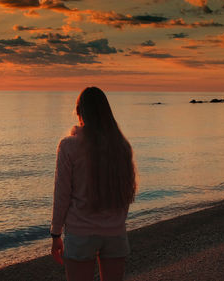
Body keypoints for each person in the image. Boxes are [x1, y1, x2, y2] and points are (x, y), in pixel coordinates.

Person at [50, 87, 137, 281]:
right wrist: (116, 222)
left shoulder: (69, 146)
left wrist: (56, 234)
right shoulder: (121, 147)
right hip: (115, 232)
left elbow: (62, 195)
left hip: (81, 233)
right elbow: (126, 191)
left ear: (80, 112)